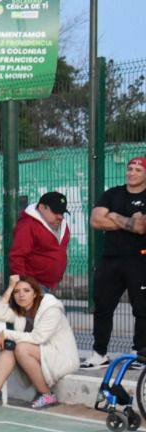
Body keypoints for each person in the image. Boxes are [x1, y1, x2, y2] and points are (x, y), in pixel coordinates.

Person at [84, 157, 146, 368]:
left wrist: (112, 215)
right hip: (110, 259)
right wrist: (129, 220)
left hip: (139, 259)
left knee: (142, 308)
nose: (132, 173)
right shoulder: (112, 194)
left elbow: (141, 227)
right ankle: (99, 353)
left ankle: (139, 354)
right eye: (130, 169)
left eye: (138, 170)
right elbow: (95, 220)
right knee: (102, 306)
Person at [0, 275, 79, 410]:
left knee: (21, 348)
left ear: (35, 293)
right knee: (9, 347)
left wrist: (7, 334)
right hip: (40, 354)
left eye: (26, 291)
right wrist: (10, 286)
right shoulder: (21, 312)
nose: (21, 295)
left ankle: (47, 395)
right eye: (16, 292)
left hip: (61, 357)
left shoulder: (51, 309)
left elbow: (39, 338)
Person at [10, 191, 71, 294]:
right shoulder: (28, 225)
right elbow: (17, 256)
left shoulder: (63, 226)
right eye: (56, 212)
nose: (60, 216)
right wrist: (23, 286)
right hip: (33, 286)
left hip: (51, 286)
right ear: (42, 207)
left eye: (62, 212)